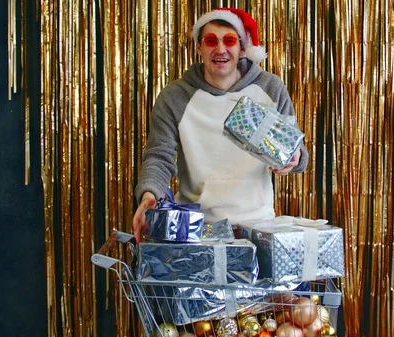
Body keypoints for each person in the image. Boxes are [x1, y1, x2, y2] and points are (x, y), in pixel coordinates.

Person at [132, 8, 309, 243]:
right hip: (196, 228)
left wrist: (294, 157)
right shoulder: (175, 97)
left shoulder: (269, 88)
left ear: (242, 48)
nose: (220, 49)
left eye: (229, 40)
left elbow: (297, 152)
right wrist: (148, 196)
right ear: (199, 47)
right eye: (210, 41)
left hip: (259, 228)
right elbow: (159, 156)